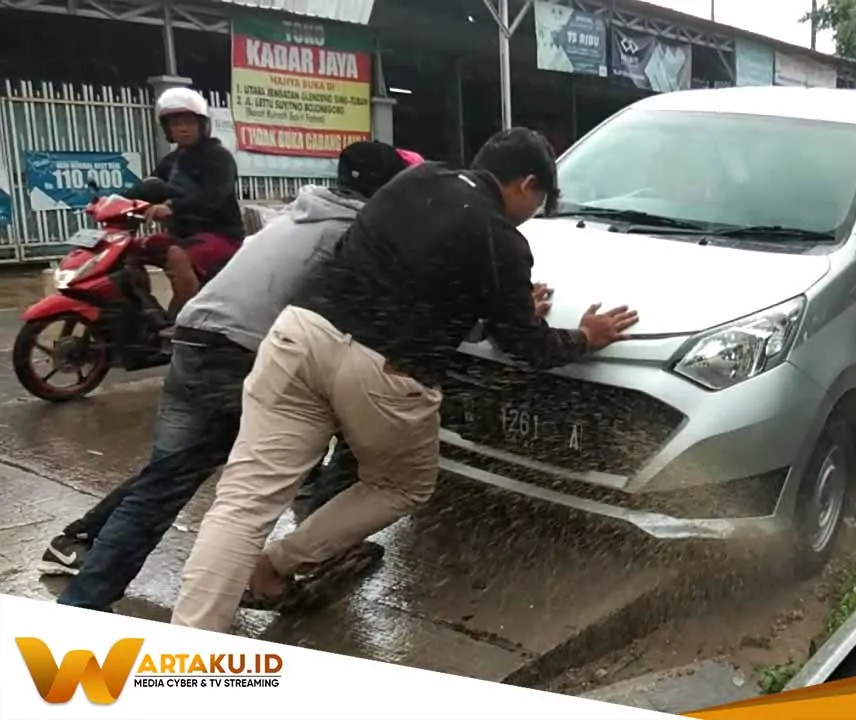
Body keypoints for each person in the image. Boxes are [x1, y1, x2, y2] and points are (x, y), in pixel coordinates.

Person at [169, 127, 639, 632]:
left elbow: (399, 271)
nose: (535, 210)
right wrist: (585, 337)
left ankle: (188, 646)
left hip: (300, 334)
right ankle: (278, 564)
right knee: (402, 484)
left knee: (243, 503)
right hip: (383, 369)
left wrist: (497, 303)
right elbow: (524, 345)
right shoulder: (501, 238)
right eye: (540, 199)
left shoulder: (414, 180)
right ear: (527, 183)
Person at [46, 142, 413, 614]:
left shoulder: (297, 214)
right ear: (386, 191)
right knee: (309, 453)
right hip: (241, 353)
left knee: (170, 477)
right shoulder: (354, 234)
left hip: (195, 336)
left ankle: (85, 599)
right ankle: (301, 557)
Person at [128, 87, 246, 323]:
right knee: (129, 252)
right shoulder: (171, 162)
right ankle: (144, 315)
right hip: (182, 236)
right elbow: (146, 190)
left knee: (177, 255)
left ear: (202, 124)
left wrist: (173, 207)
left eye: (189, 122)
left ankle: (182, 322)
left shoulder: (218, 157)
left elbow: (214, 196)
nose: (182, 128)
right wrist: (112, 201)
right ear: (168, 129)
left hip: (221, 236)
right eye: (175, 123)